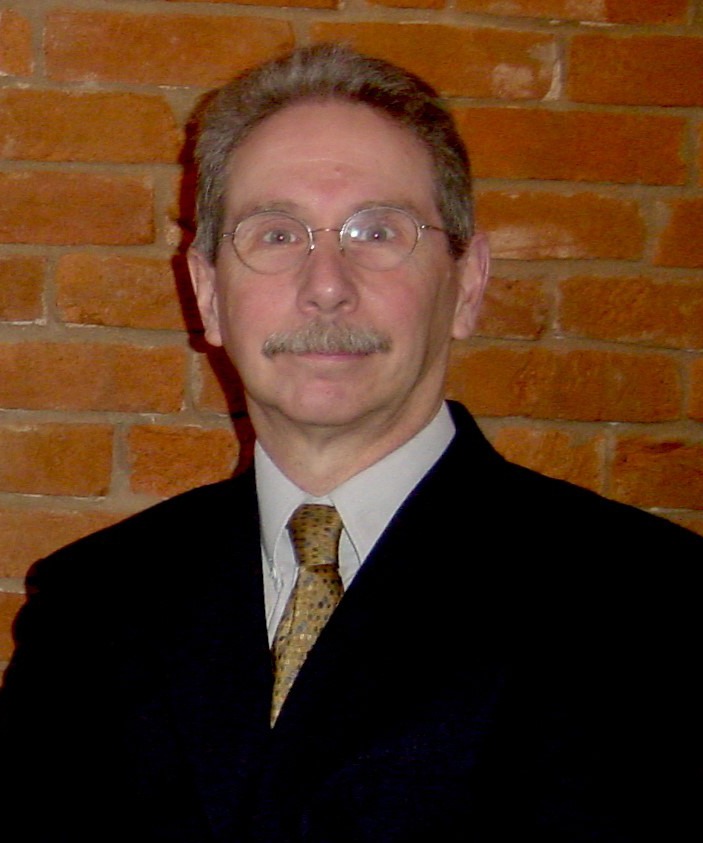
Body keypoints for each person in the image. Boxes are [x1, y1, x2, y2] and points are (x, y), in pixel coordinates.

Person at [0, 44, 700, 843]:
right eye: (275, 234)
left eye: (376, 231)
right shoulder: (90, 608)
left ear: (467, 283)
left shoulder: (651, 607)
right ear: (208, 294)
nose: (326, 285)